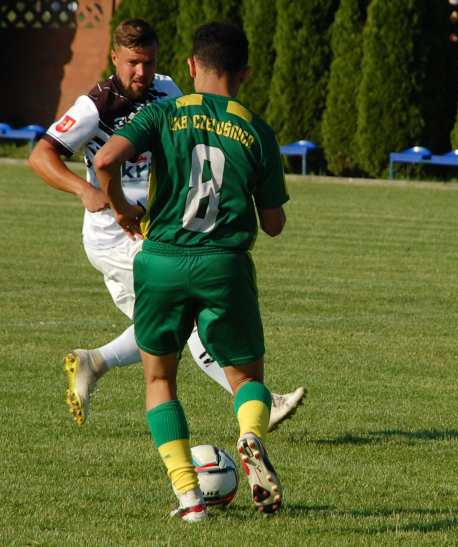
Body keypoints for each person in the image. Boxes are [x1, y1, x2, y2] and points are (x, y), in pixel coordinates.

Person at [28, 18, 305, 430]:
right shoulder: (95, 105)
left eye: (150, 62)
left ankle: (94, 361)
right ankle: (258, 398)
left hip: (164, 226)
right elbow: (41, 155)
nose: (142, 73)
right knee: (188, 309)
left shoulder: (168, 90)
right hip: (116, 234)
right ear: (115, 58)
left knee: (168, 317)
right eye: (133, 63)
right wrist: (88, 193)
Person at [95, 21, 289, 521]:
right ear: (244, 72)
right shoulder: (254, 128)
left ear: (189, 65)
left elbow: (106, 161)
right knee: (245, 375)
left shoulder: (162, 111)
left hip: (160, 260)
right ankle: (249, 437)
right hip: (224, 264)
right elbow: (273, 226)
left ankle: (188, 500)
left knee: (159, 379)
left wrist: (119, 207)